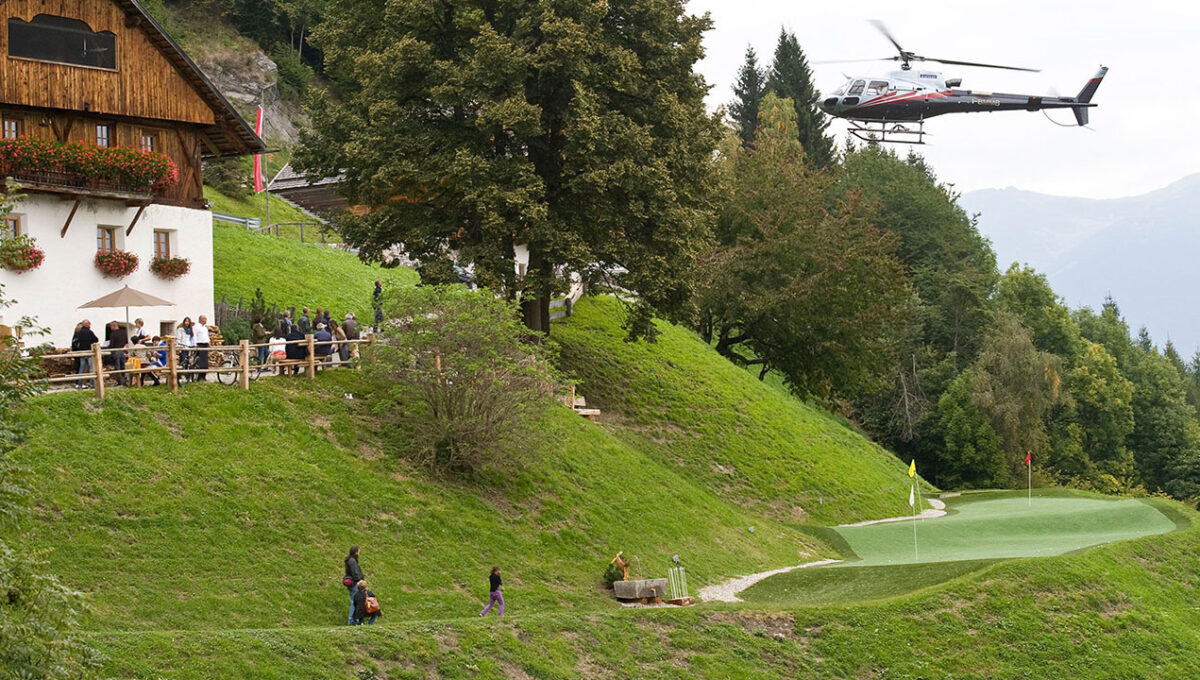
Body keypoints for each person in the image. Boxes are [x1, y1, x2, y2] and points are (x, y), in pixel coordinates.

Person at [72, 319, 99, 388]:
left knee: (82, 368)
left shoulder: (79, 332)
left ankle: (79, 383)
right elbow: (96, 339)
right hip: (89, 352)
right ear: (88, 324)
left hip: (82, 352)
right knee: (91, 368)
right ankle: (92, 383)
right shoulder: (90, 332)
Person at [105, 321, 130, 386]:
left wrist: (107, 348)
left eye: (111, 326)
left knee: (117, 367)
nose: (110, 328)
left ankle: (120, 382)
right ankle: (125, 381)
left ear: (114, 326)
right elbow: (126, 342)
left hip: (116, 352)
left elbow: (112, 344)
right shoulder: (124, 332)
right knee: (123, 366)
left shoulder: (113, 334)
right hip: (122, 351)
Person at [344, 546, 365, 625]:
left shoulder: (350, 560)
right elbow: (355, 573)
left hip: (353, 583)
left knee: (355, 602)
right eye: (358, 551)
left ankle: (355, 620)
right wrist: (360, 581)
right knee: (355, 602)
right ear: (356, 552)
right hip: (355, 584)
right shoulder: (352, 561)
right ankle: (351, 620)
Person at [193, 315, 212, 382]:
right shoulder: (196, 327)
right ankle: (199, 377)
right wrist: (195, 345)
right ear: (201, 319)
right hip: (199, 344)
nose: (206, 320)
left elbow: (206, 336)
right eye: (205, 319)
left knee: (205, 361)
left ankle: (204, 376)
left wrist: (209, 342)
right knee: (199, 361)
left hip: (205, 345)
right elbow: (194, 336)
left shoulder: (205, 328)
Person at [176, 317, 195, 382]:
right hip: (183, 346)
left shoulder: (191, 330)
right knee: (182, 361)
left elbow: (192, 339)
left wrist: (194, 345)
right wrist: (179, 347)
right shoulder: (181, 329)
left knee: (189, 363)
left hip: (190, 346)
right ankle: (180, 377)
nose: (187, 323)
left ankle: (187, 377)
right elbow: (178, 338)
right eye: (186, 321)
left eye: (188, 321)